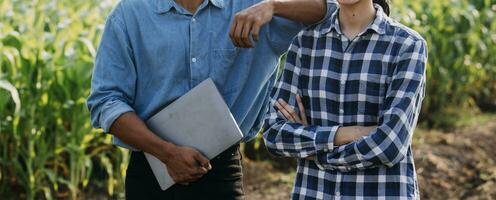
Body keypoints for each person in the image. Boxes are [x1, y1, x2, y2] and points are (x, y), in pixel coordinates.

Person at [87, 0, 339, 199]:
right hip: (151, 170)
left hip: (221, 172)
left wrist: (273, 5)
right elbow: (106, 100)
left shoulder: (252, 6)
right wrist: (167, 153)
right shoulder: (129, 15)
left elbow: (330, 10)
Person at [263, 0, 427, 199]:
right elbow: (273, 132)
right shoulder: (306, 43)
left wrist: (317, 150)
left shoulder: (407, 45)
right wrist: (349, 133)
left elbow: (389, 144)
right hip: (315, 192)